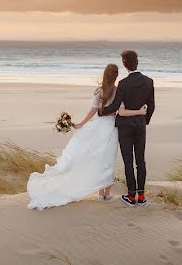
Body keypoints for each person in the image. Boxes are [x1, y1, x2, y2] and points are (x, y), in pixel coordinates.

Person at [26, 64, 147, 209]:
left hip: (98, 126)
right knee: (107, 160)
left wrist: (81, 124)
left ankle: (101, 191)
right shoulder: (118, 91)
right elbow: (119, 110)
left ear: (105, 75)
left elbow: (93, 110)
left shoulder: (98, 91)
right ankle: (105, 193)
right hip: (112, 128)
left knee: (96, 157)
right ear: (115, 76)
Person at [99, 50, 155, 207]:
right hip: (140, 125)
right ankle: (141, 196)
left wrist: (100, 111)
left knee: (128, 162)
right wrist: (144, 120)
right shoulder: (149, 81)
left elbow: (115, 106)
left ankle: (131, 197)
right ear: (137, 61)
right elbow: (152, 106)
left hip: (124, 127)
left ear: (125, 64)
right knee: (141, 161)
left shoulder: (123, 84)